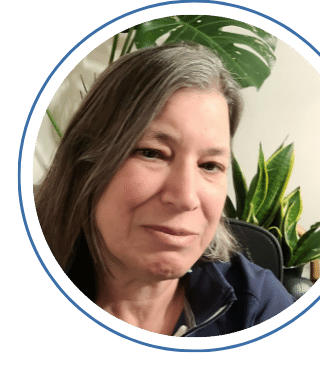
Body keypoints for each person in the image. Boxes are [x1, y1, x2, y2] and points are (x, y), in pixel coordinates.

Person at [35, 41, 294, 337]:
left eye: (210, 165)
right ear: (85, 163)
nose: (185, 197)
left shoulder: (257, 304)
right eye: (152, 153)